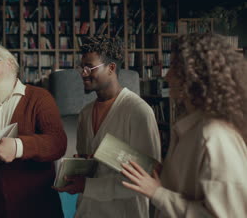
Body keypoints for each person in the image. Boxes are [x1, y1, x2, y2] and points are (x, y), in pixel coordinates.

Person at [120, 33, 247, 217]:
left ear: (195, 75)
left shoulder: (215, 136)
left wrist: (158, 193)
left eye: (174, 68)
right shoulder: (188, 128)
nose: (167, 76)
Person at [55, 35, 161, 217]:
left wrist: (87, 185)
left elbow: (146, 178)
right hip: (87, 211)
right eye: (82, 67)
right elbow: (89, 164)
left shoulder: (138, 111)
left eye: (90, 67)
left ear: (111, 68)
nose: (83, 73)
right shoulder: (86, 114)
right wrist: (80, 166)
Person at [0, 43, 67, 218]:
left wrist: (18, 147)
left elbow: (58, 143)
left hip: (36, 208)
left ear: (9, 63)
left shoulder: (39, 97)